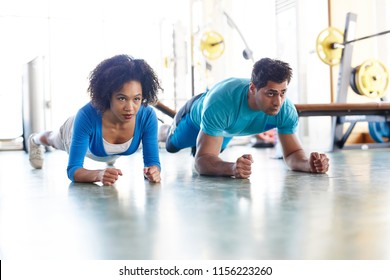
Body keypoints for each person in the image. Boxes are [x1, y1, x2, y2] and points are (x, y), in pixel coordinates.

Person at [161, 57, 329, 178]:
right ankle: (163, 130)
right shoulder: (220, 105)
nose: (278, 102)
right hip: (195, 118)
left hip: (225, 129)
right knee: (172, 146)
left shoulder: (286, 110)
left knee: (212, 153)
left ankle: (199, 143)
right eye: (270, 93)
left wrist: (309, 165)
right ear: (252, 88)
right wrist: (233, 168)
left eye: (282, 93)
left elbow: (293, 154)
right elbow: (201, 162)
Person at [28, 54, 162, 185]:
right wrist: (98, 175)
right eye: (122, 98)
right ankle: (34, 139)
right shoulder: (86, 116)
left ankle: (110, 159)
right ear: (108, 96)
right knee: (51, 138)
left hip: (110, 152)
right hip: (72, 133)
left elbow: (153, 162)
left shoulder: (147, 116)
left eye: (136, 99)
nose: (130, 108)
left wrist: (153, 171)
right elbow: (73, 170)